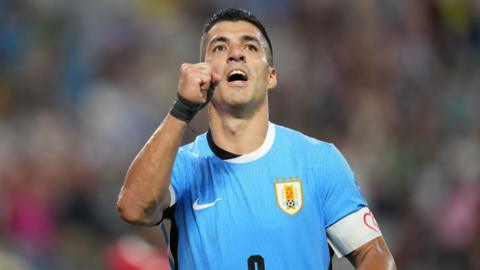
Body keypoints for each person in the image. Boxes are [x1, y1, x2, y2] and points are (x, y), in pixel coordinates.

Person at [117, 7, 396, 270]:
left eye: (250, 46)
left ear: (271, 76)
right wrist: (182, 109)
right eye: (220, 47)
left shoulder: (318, 161)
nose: (235, 54)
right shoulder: (179, 168)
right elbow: (133, 209)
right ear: (203, 71)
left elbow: (373, 253)